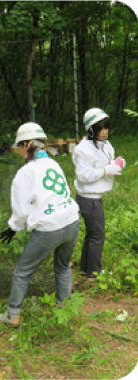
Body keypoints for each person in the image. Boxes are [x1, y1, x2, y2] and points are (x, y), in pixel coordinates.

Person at [0, 122, 80, 328]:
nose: (19, 151)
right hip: (72, 222)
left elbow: (20, 211)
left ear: (26, 144)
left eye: (20, 147)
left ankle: (12, 314)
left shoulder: (25, 173)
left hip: (49, 229)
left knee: (22, 272)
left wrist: (13, 227)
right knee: (62, 267)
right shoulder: (54, 164)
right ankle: (65, 308)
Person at [72, 108, 125, 280]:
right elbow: (83, 175)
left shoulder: (105, 144)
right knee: (97, 236)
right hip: (89, 199)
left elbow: (107, 160)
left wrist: (116, 163)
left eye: (106, 127)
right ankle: (94, 274)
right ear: (90, 129)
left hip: (95, 198)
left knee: (91, 235)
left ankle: (85, 268)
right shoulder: (83, 150)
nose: (104, 132)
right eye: (99, 129)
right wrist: (104, 170)